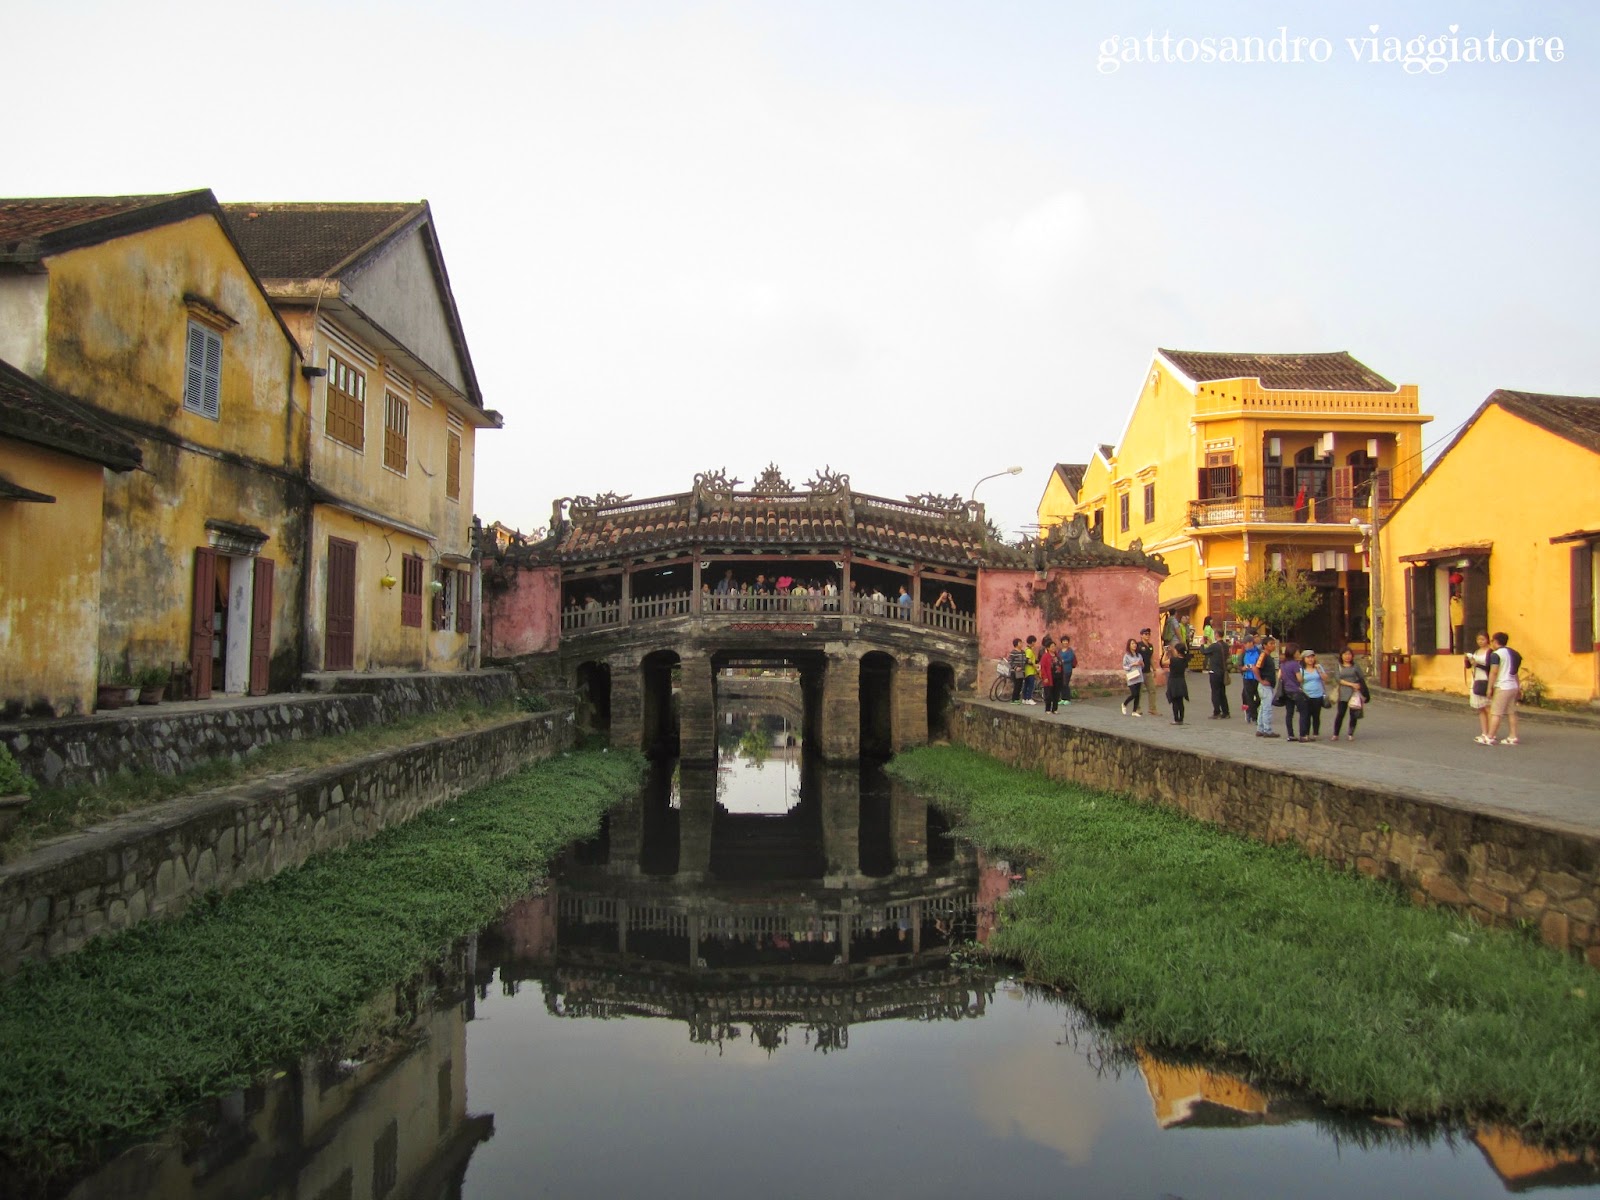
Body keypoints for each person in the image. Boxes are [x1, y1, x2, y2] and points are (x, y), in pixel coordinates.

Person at [1484, 631, 1522, 745]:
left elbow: (1494, 672)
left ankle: (1490, 736)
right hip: (1513, 685)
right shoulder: (1514, 654)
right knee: (1511, 712)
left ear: (1495, 641)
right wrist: (1519, 688)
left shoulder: (1496, 655)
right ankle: (1513, 736)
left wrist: (1489, 688)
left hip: (1502, 686)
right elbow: (1515, 673)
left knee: (1496, 712)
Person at [1332, 649, 1368, 741]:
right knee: (1340, 714)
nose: (1347, 656)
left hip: (1354, 693)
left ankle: (1350, 733)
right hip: (1343, 692)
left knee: (1353, 714)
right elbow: (1338, 679)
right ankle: (1336, 734)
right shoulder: (1338, 666)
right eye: (1345, 654)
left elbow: (1361, 677)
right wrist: (1351, 684)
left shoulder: (1355, 666)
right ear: (1341, 655)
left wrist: (1359, 686)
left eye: (1349, 654)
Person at [1465, 631, 1493, 744]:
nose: (1480, 642)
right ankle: (1484, 732)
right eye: (1478, 640)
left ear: (1487, 640)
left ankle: (1491, 732)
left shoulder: (1490, 652)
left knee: (1488, 708)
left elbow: (1491, 668)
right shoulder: (1476, 652)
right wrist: (1467, 660)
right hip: (1476, 679)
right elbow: (1468, 666)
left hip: (1486, 679)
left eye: (1483, 639)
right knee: (1480, 708)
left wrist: (1477, 664)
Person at [1298, 650, 1328, 741]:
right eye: (1308, 657)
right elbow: (1299, 681)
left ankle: (1315, 733)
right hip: (1306, 695)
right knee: (1306, 715)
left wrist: (1319, 670)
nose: (1310, 659)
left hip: (1318, 694)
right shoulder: (1301, 669)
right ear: (1303, 659)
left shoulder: (1318, 667)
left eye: (1312, 657)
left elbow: (1325, 678)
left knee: (1316, 715)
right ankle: (1306, 733)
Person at [1254, 636, 1280, 737]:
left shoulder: (1268, 656)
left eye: (1274, 644)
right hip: (1265, 686)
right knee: (1267, 708)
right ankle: (1267, 730)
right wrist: (1261, 680)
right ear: (1265, 646)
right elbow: (1255, 668)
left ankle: (1260, 729)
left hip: (1267, 685)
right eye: (1271, 644)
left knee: (1263, 707)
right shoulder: (1263, 655)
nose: (1273, 646)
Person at [1279, 645, 1306, 741]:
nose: (1299, 654)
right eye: (1298, 652)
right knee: (1303, 712)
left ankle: (1290, 735)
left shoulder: (1283, 664)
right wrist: (1302, 680)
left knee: (1289, 713)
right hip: (1296, 690)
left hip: (1287, 691)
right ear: (1293, 653)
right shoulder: (1295, 664)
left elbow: (1279, 677)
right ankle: (1303, 735)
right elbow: (1299, 678)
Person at [1164, 639, 1190, 725]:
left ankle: (1176, 719)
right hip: (1181, 682)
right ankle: (1181, 719)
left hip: (1174, 682)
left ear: (1178, 651)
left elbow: (1163, 662)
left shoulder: (1173, 660)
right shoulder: (1185, 660)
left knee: (1175, 702)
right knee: (1180, 702)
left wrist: (1165, 653)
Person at [1137, 628, 1160, 716]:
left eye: (1149, 634)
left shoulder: (1150, 646)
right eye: (1145, 634)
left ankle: (1152, 709)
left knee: (1152, 689)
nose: (1147, 636)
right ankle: (1137, 708)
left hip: (1147, 671)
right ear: (1141, 635)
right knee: (1139, 691)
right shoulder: (1138, 645)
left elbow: (1151, 658)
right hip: (1140, 671)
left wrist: (1154, 669)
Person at [1239, 635, 1261, 723]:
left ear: (1251, 643)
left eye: (1246, 643)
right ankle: (1254, 717)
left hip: (1257, 678)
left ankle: (1249, 710)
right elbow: (1239, 666)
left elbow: (1262, 664)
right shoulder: (1243, 653)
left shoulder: (1259, 652)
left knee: (1259, 698)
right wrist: (1244, 668)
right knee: (1249, 698)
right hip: (1247, 678)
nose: (1245, 646)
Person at [1120, 638, 1144, 716]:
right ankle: (1124, 704)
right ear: (1129, 645)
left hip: (1139, 676)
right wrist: (1132, 664)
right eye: (1132, 644)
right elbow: (1124, 666)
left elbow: (1142, 666)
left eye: (1135, 644)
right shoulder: (1127, 656)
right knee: (1134, 693)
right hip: (1131, 676)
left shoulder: (1139, 655)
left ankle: (1134, 711)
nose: (1134, 645)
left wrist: (1141, 664)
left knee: (1137, 695)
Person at [1039, 636, 1062, 714]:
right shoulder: (1045, 657)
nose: (1053, 648)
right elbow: (1043, 668)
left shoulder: (1057, 656)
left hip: (1057, 677)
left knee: (1056, 694)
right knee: (1048, 694)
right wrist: (1044, 677)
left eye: (1054, 646)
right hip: (1049, 677)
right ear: (1048, 648)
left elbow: (1061, 665)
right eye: (1052, 646)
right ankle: (1047, 709)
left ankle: (1055, 709)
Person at [1007, 638, 1028, 703]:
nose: (1021, 644)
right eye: (1020, 643)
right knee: (1017, 685)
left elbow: (1025, 660)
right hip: (1015, 671)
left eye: (1021, 643)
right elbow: (1010, 661)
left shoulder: (1023, 652)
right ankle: (1014, 699)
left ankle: (1017, 698)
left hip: (1022, 671)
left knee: (1020, 685)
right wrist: (1015, 667)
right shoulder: (1013, 652)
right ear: (1016, 644)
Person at [1057, 636, 1077, 704]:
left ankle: (1067, 699)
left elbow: (1070, 658)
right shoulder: (1060, 650)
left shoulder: (1070, 651)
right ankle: (1063, 698)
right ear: (1061, 642)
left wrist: (1063, 661)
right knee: (1061, 684)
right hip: (1061, 670)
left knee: (1066, 684)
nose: (1065, 642)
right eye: (1064, 641)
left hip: (1067, 669)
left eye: (1066, 641)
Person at [1022, 635, 1040, 704]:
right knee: (1031, 685)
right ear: (1032, 642)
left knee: (1026, 685)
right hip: (1030, 671)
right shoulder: (1029, 650)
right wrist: (1034, 665)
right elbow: (1028, 660)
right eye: (1034, 642)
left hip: (1027, 671)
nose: (1035, 644)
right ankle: (1029, 698)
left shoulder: (1026, 649)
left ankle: (1024, 698)